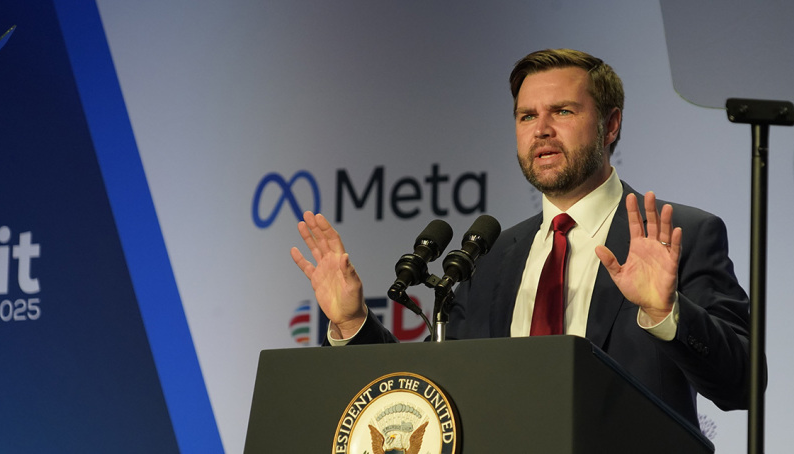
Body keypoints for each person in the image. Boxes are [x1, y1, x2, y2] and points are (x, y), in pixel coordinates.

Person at [291, 49, 750, 427]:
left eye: (563, 112)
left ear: (611, 126)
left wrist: (666, 312)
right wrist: (353, 324)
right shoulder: (486, 260)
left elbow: (744, 384)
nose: (541, 129)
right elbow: (428, 395)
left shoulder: (677, 235)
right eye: (527, 115)